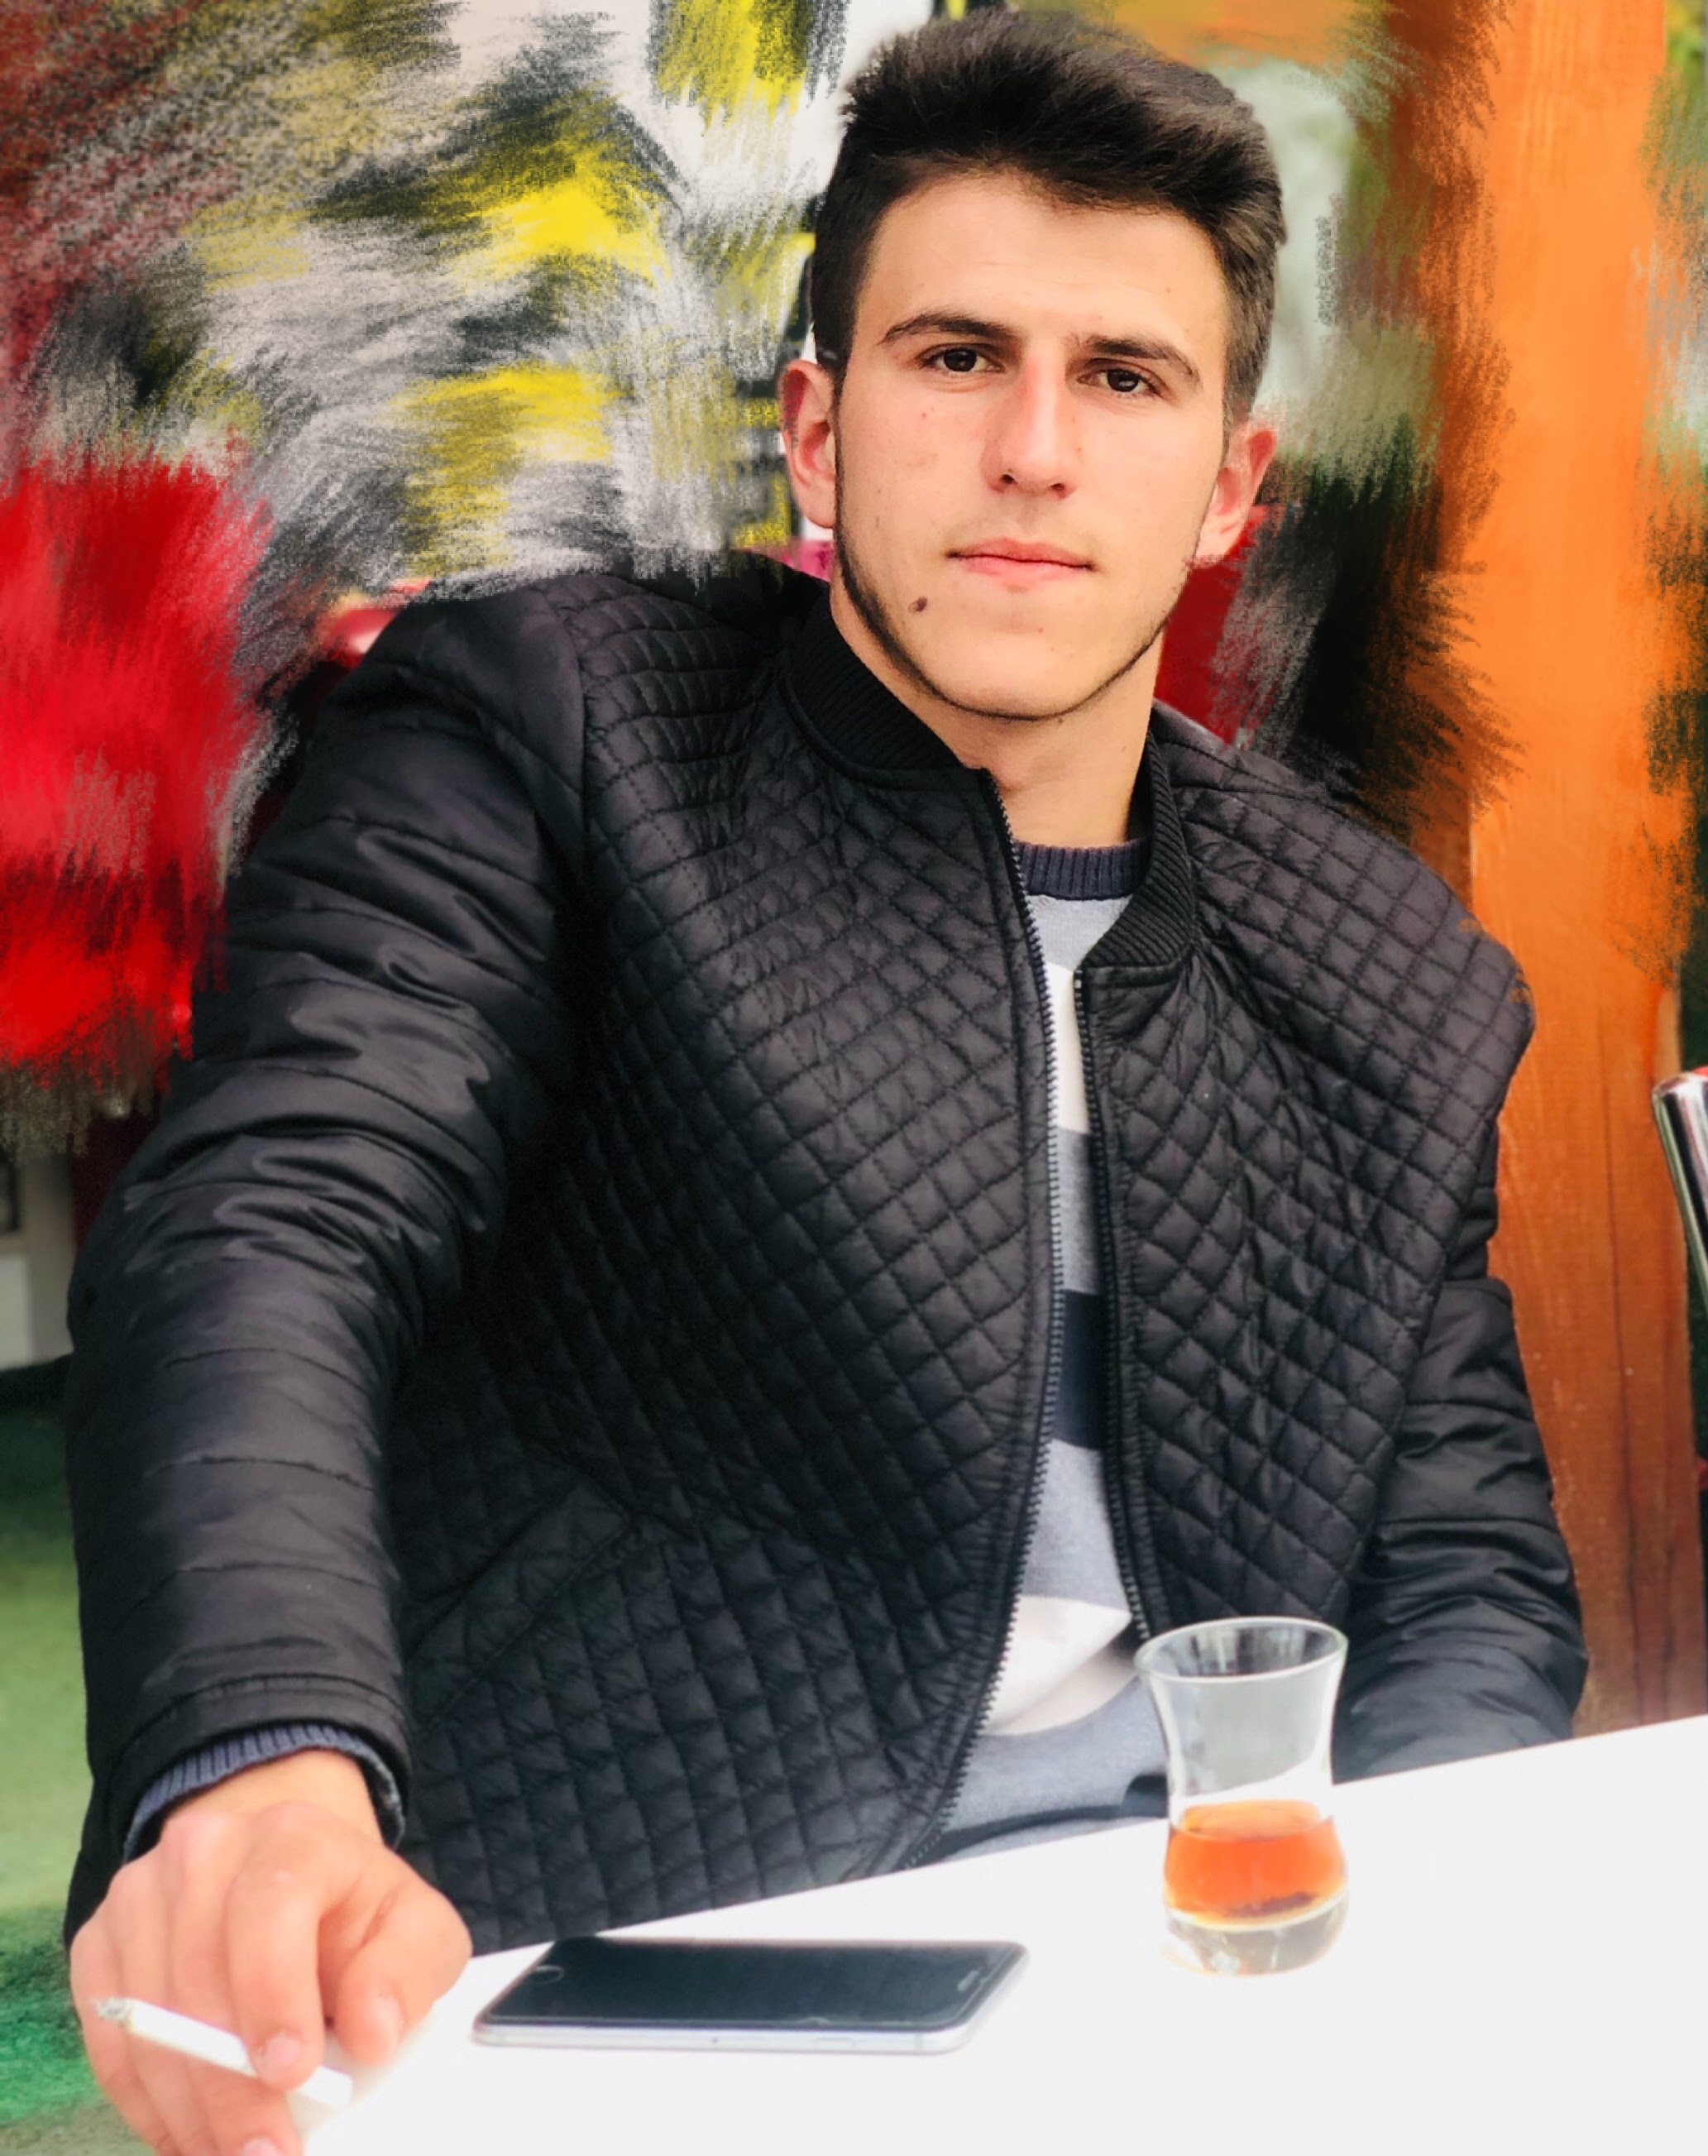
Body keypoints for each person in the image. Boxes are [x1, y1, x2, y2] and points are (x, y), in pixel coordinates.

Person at [64, 14, 1586, 2156]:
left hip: (1196, 1991)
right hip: (646, 1981)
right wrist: (260, 1758)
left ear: (1229, 485)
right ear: (817, 429)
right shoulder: (547, 737)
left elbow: (1463, 1578)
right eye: (956, 357)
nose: (1034, 451)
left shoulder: (1382, 970)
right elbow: (277, 1218)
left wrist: (1401, 1990)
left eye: (1124, 377)